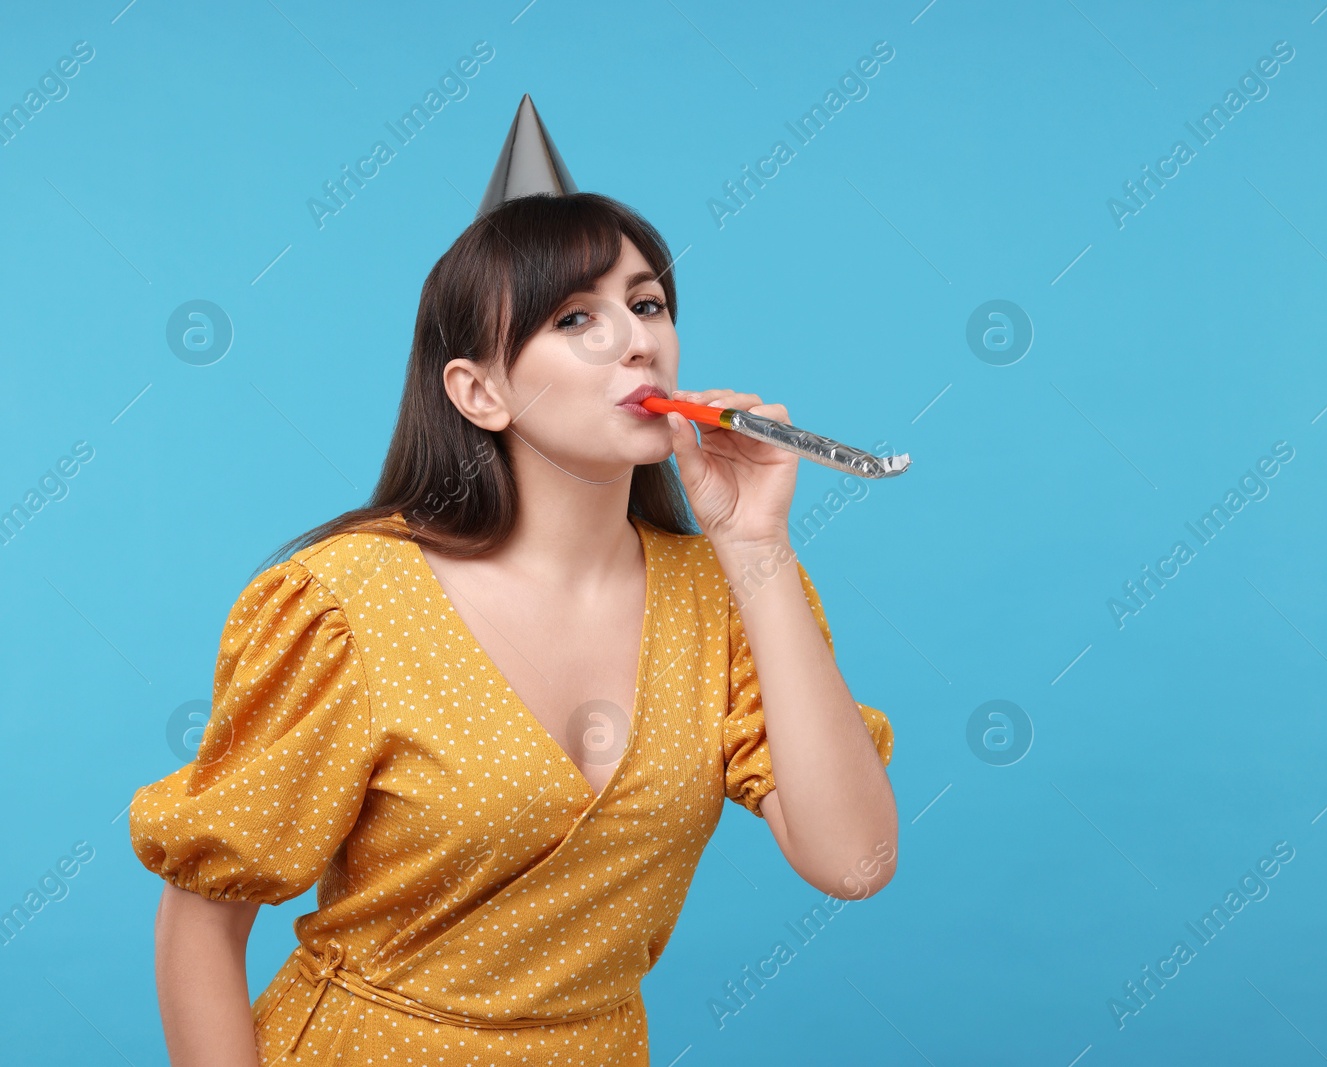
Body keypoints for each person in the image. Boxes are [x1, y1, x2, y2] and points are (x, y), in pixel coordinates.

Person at [127, 191, 898, 1065]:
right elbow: (199, 927)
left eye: (647, 304)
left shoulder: (728, 595)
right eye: (577, 317)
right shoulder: (346, 604)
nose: (637, 340)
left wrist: (756, 544)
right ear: (480, 391)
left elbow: (856, 862)